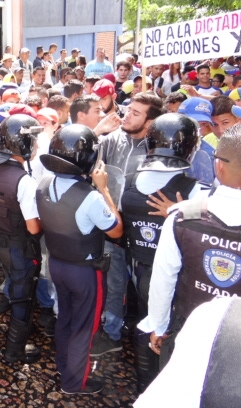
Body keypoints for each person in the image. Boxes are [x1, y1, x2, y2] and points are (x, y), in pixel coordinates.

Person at [140, 124, 241, 367]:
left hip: (189, 331)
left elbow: (163, 278)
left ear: (218, 165)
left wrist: (158, 325)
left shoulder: (182, 216)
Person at [121, 113, 205, 392]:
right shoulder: (194, 192)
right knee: (164, 329)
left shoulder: (129, 179)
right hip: (171, 280)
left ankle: (143, 385)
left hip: (137, 269)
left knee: (146, 321)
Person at [37, 124, 122, 395]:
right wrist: (104, 189)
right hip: (84, 271)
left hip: (57, 263)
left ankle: (65, 365)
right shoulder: (91, 198)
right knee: (84, 328)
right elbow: (116, 231)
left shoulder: (43, 184)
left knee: (66, 319)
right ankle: (75, 382)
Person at [92, 92, 163, 357]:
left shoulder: (158, 146)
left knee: (147, 287)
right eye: (128, 109)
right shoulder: (111, 139)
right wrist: (97, 132)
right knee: (115, 282)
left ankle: (150, 335)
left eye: (135, 113)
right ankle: (112, 333)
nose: (127, 115)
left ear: (151, 122)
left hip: (147, 229)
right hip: (113, 225)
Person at [0, 114, 44, 363]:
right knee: (23, 296)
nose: (37, 144)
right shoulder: (25, 181)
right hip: (21, 247)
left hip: (1, 242)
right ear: (23, 143)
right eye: (34, 139)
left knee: (14, 286)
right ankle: (14, 351)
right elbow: (33, 228)